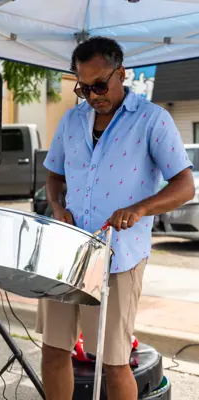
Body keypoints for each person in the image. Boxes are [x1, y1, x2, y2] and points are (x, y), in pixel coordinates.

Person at [35, 36, 195, 400]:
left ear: (122, 73)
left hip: (117, 256)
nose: (92, 95)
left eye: (99, 85)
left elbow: (185, 186)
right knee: (54, 349)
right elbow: (54, 175)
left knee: (113, 360)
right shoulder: (72, 120)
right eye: (83, 88)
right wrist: (58, 207)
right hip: (67, 253)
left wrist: (140, 209)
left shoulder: (152, 120)